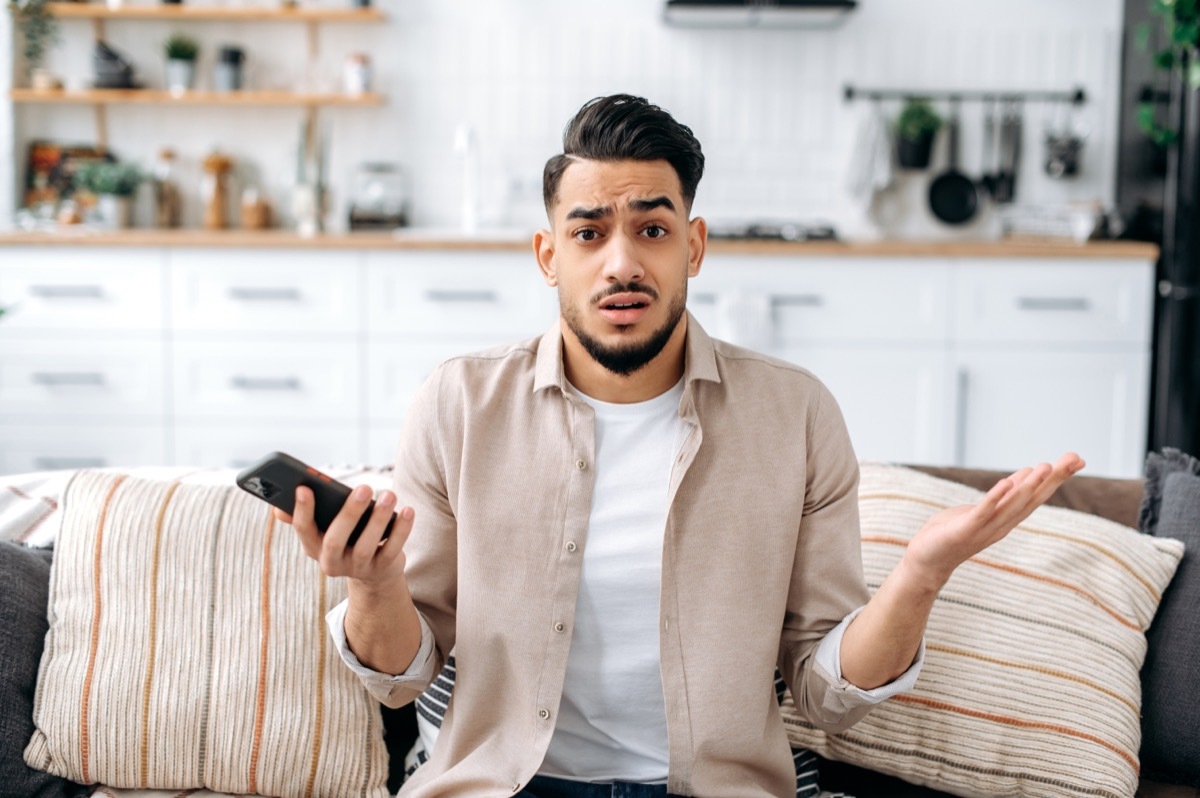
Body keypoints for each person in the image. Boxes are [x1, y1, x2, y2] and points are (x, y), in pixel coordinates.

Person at [276, 94, 1085, 797]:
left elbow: (825, 693)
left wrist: (920, 575)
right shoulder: (458, 403)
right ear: (548, 255)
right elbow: (403, 677)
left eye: (652, 229)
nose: (622, 262)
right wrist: (376, 586)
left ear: (693, 246)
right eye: (589, 233)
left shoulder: (796, 413)